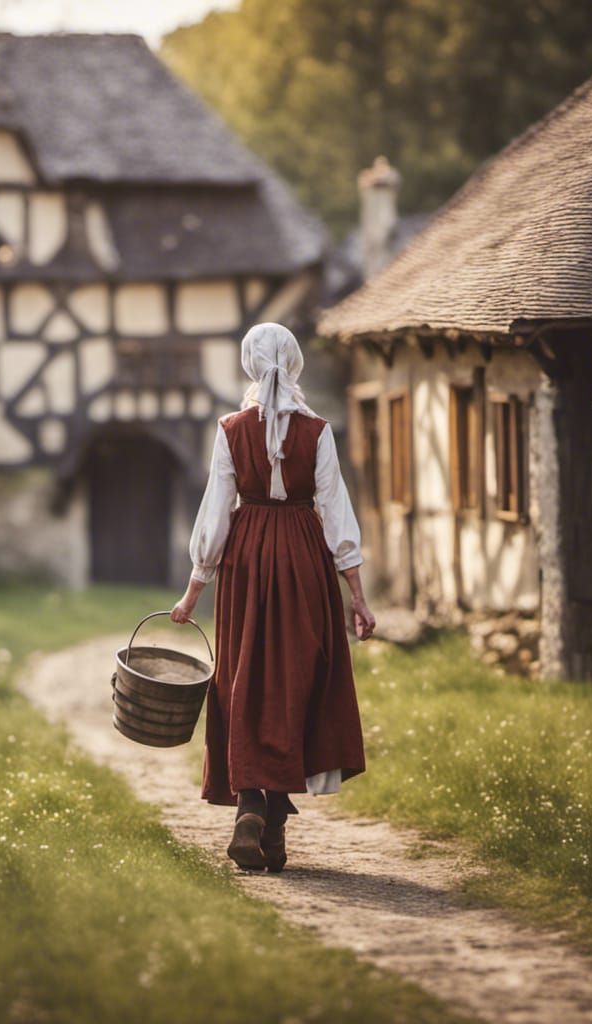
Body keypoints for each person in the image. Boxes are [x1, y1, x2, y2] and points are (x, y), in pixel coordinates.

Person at [170, 321, 375, 873]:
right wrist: (358, 597)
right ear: (296, 361)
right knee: (297, 678)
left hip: (248, 559)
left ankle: (253, 807)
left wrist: (192, 593)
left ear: (248, 363)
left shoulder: (231, 429)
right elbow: (336, 513)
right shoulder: (318, 431)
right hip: (304, 556)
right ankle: (274, 820)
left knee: (244, 678)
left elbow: (216, 513)